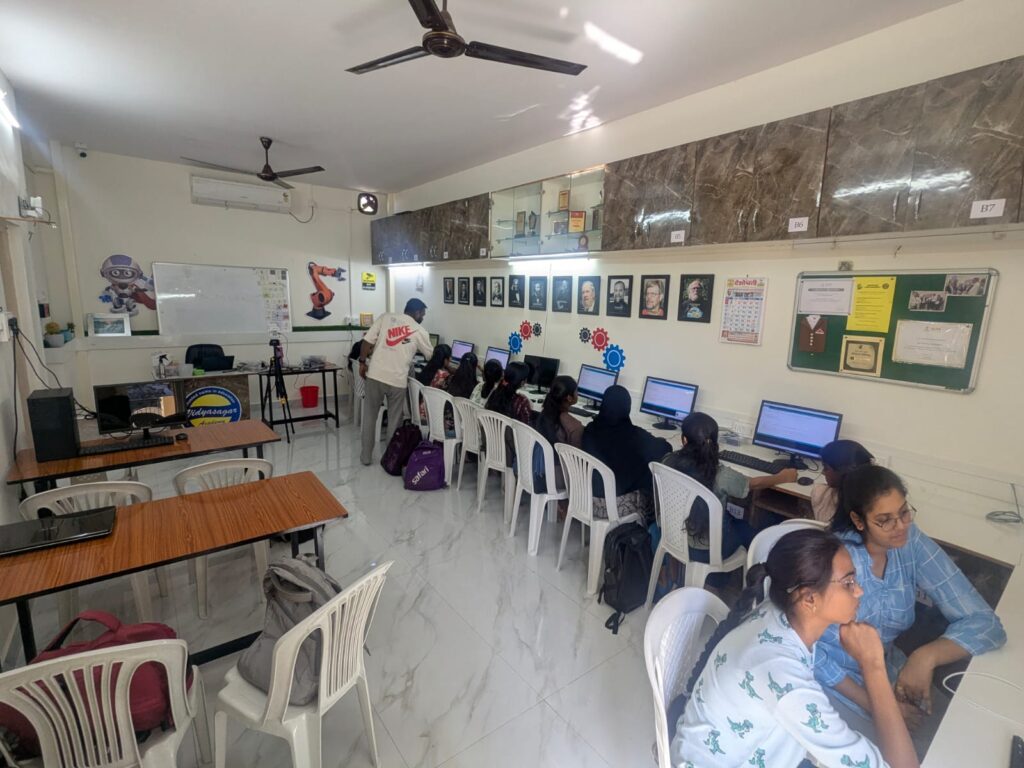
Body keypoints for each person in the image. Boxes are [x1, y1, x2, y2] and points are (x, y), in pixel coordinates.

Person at [672, 529, 918, 768]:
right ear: (809, 599)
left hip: (742, 747)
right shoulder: (783, 676)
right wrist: (873, 665)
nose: (859, 590)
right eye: (848, 582)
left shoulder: (781, 612)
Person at [815, 465, 1006, 753]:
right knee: (905, 755)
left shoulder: (908, 540)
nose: (901, 526)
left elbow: (985, 622)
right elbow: (811, 651)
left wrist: (926, 657)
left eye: (904, 512)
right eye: (885, 520)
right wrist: (879, 705)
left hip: (886, 669)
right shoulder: (836, 560)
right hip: (834, 686)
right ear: (858, 520)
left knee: (961, 736)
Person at [661, 412, 797, 563]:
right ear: (713, 442)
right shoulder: (721, 475)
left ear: (684, 440)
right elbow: (754, 484)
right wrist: (783, 477)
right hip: (707, 551)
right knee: (750, 530)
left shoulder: (667, 461)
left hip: (674, 538)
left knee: (733, 520)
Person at [358, 298, 432, 466]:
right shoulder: (420, 330)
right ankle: (389, 458)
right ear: (417, 313)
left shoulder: (385, 318)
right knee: (394, 420)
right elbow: (430, 355)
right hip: (397, 380)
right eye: (423, 314)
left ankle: (366, 457)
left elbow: (367, 341)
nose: (422, 318)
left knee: (369, 417)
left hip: (375, 374)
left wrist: (362, 362)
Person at [581, 386, 671, 521]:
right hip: (614, 506)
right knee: (652, 473)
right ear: (627, 408)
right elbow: (666, 448)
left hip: (586, 498)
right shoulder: (634, 435)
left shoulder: (590, 429)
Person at [811, 440, 874, 522]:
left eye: (826, 468)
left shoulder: (819, 493)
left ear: (842, 472)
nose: (823, 472)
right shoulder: (873, 505)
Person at [536, 375, 583, 449]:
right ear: (569, 398)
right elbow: (575, 455)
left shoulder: (545, 413)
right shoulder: (575, 427)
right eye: (576, 391)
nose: (578, 393)